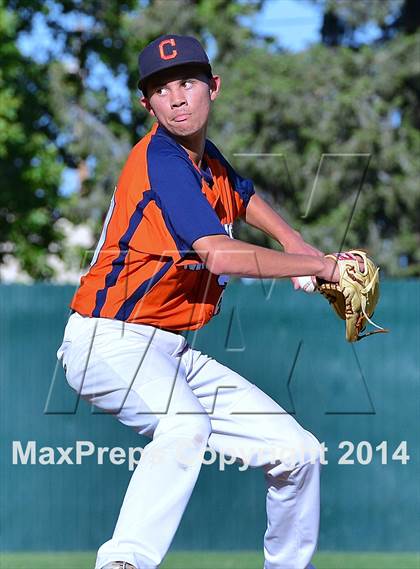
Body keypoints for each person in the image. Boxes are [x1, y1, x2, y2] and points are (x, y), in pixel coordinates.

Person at [57, 34, 339, 569]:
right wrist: (322, 265)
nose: (177, 98)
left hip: (168, 352)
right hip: (105, 338)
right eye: (162, 89)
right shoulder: (161, 159)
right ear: (148, 106)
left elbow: (243, 192)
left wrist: (293, 240)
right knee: (183, 424)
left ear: (213, 87)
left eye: (187, 82)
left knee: (296, 452)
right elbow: (220, 255)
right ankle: (125, 562)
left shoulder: (206, 162)